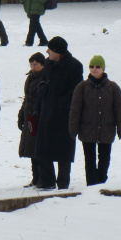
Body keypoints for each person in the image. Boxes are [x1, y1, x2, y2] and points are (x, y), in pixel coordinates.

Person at [69, 55, 121, 186]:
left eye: (98, 67)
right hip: (87, 130)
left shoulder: (113, 87)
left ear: (103, 68)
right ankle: (91, 185)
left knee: (104, 159)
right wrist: (73, 129)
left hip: (106, 129)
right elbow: (75, 110)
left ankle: (100, 183)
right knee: (89, 160)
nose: (94, 69)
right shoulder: (82, 87)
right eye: (92, 67)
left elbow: (119, 109)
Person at [34, 36, 83, 190]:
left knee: (64, 151)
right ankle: (47, 181)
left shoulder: (74, 66)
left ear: (57, 51)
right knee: (42, 148)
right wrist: (42, 90)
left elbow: (76, 91)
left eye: (50, 49)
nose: (47, 51)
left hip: (64, 116)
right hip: (46, 112)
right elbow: (45, 81)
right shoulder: (48, 63)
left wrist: (61, 104)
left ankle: (63, 183)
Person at [17, 52, 45, 187]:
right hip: (29, 117)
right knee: (30, 148)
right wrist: (21, 115)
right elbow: (26, 99)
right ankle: (35, 177)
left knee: (38, 149)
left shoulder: (44, 79)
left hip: (38, 118)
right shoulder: (30, 78)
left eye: (35, 64)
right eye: (31, 64)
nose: (33, 67)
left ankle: (41, 177)